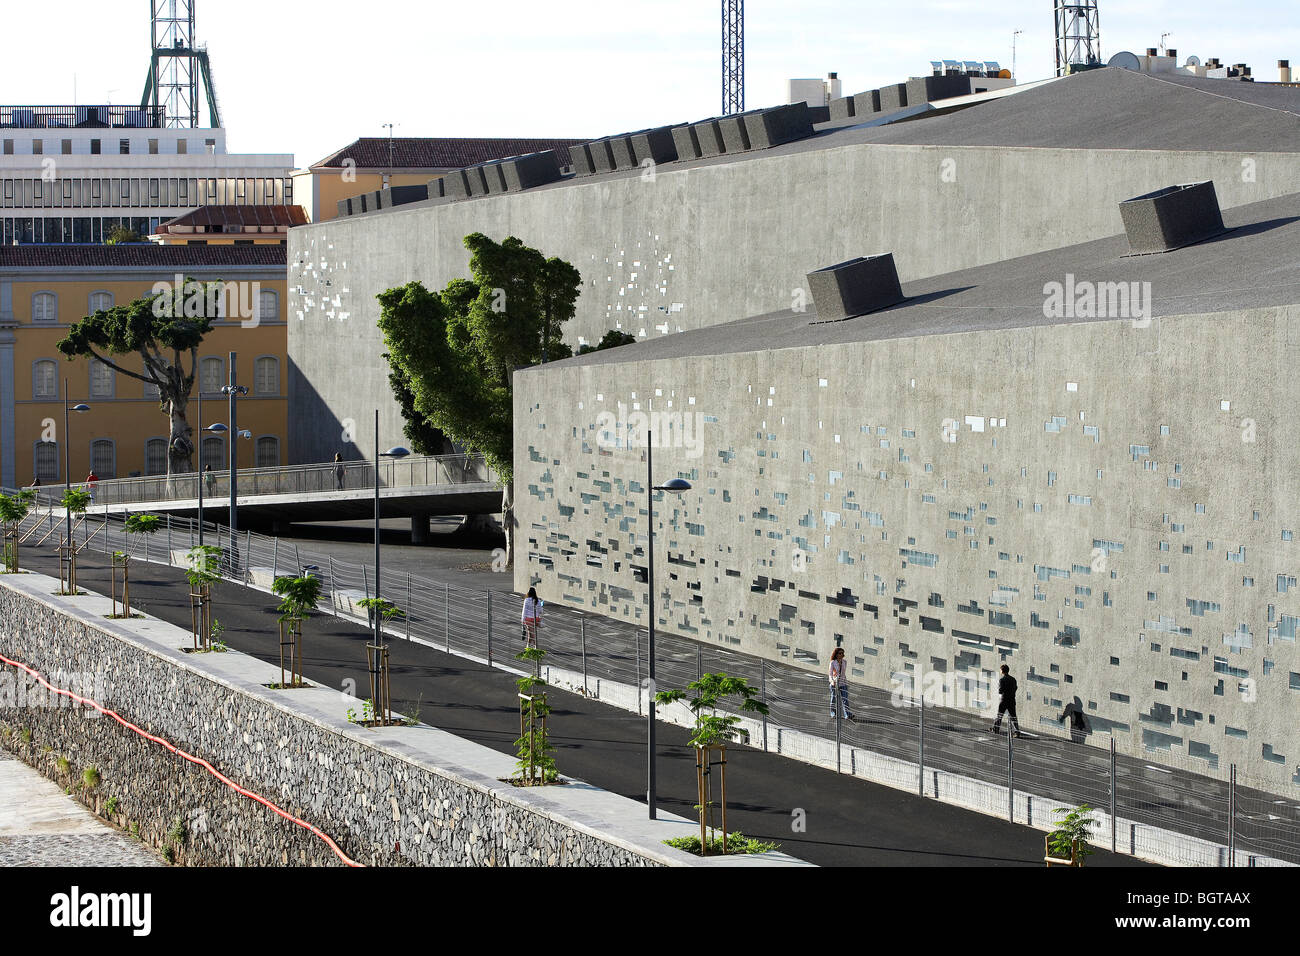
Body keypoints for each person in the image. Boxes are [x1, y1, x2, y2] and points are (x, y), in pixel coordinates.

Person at [990, 663, 1022, 736]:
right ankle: (1017, 732)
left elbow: (1000, 691)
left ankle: (996, 729)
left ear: (1002, 671)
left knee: (999, 715)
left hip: (1004, 700)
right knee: (1013, 717)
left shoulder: (1002, 680)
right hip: (1012, 700)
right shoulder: (1013, 679)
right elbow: (1015, 688)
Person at [829, 646, 853, 720]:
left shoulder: (844, 662)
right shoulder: (833, 662)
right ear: (836, 654)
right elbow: (830, 674)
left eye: (843, 653)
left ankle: (847, 715)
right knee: (834, 699)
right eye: (840, 653)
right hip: (835, 683)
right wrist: (832, 681)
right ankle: (833, 713)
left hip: (843, 683)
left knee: (845, 699)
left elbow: (843, 673)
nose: (842, 654)